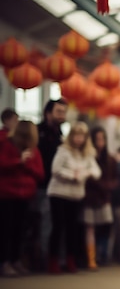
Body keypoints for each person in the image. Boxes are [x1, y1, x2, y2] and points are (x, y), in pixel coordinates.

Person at [46, 122, 100, 274]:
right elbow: (55, 170)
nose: (79, 139)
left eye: (82, 136)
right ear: (71, 136)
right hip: (59, 193)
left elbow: (96, 171)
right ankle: (53, 262)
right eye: (76, 135)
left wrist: (85, 174)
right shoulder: (63, 150)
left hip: (75, 195)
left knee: (73, 229)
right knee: (58, 227)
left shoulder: (87, 153)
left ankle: (71, 261)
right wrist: (72, 175)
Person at [0, 121, 44, 277]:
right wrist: (18, 161)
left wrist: (27, 164)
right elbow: (2, 165)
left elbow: (40, 173)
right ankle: (5, 262)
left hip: (26, 195)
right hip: (6, 194)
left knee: (20, 230)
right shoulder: (6, 145)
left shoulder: (34, 150)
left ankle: (16, 260)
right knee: (6, 230)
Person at [32, 99, 68, 271]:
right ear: (48, 113)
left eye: (64, 112)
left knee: (56, 224)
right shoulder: (38, 133)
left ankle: (55, 258)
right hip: (42, 186)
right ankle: (44, 260)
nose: (62, 115)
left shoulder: (60, 134)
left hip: (58, 187)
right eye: (59, 111)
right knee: (45, 224)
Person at [83, 127, 118, 269]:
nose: (100, 142)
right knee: (90, 228)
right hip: (89, 197)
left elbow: (116, 178)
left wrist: (109, 186)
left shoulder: (110, 160)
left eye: (102, 139)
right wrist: (101, 184)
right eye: (97, 139)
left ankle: (103, 255)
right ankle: (91, 258)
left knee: (105, 226)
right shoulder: (87, 157)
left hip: (104, 198)